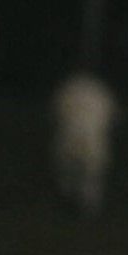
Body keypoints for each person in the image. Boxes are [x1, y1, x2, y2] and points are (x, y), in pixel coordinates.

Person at [51, 69, 118, 217]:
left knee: (73, 169)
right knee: (90, 171)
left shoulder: (70, 88)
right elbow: (110, 116)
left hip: (74, 134)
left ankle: (73, 201)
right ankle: (85, 204)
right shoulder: (98, 90)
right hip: (90, 135)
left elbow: (58, 112)